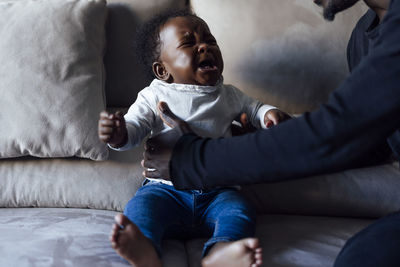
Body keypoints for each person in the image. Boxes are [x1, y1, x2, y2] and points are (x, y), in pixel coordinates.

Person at [142, 0, 400, 266]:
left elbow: (338, 130)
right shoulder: (364, 36)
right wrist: (274, 141)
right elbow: (368, 142)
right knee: (362, 256)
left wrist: (192, 158)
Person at [98, 9, 291, 267]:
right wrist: (118, 132)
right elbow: (134, 129)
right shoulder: (154, 95)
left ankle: (222, 252)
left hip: (219, 192)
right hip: (165, 191)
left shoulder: (228, 94)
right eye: (189, 43)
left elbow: (255, 109)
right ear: (162, 70)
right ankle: (145, 251)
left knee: (239, 212)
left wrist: (269, 115)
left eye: (210, 41)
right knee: (141, 209)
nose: (204, 47)